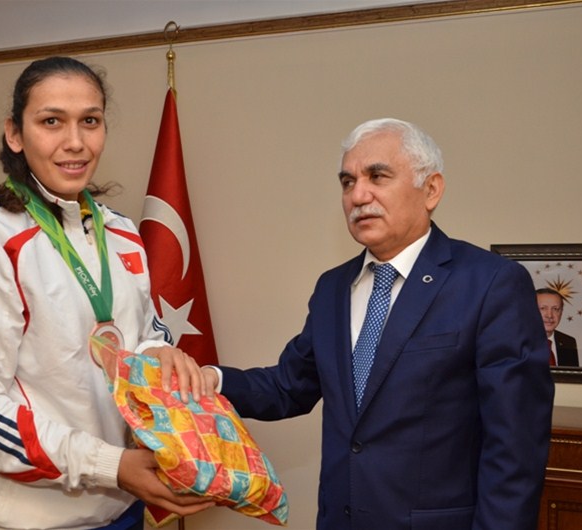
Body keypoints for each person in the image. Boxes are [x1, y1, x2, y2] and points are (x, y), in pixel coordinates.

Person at [203, 118, 555, 530]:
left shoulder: (490, 283)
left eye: (377, 176)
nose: (358, 195)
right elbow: (288, 386)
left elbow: (515, 447)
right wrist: (211, 378)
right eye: (347, 182)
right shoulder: (332, 288)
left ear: (431, 189)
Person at [0, 56, 212, 530]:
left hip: (123, 507)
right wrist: (110, 465)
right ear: (15, 134)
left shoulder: (120, 230)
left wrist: (158, 352)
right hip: (29, 522)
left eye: (90, 121)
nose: (75, 142)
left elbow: (144, 333)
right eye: (52, 121)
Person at [536, 287, 580, 367]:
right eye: (543, 308)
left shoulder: (568, 342)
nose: (549, 315)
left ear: (561, 312)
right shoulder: (516, 343)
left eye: (555, 309)